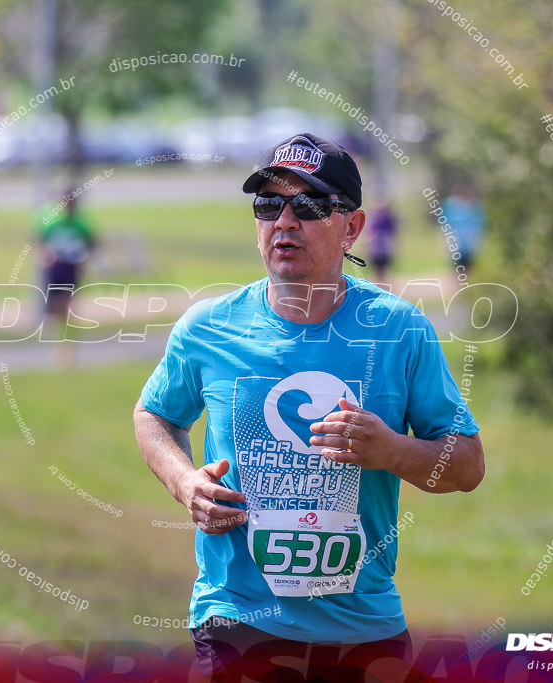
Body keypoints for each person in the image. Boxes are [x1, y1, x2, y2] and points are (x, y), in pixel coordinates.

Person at [133, 133, 485, 680]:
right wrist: (186, 484)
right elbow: (154, 414)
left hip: (363, 627)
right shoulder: (208, 328)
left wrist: (389, 449)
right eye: (269, 204)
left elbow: (466, 466)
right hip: (237, 621)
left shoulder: (398, 330)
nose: (285, 221)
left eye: (311, 205)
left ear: (353, 227)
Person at [36, 192, 95, 367]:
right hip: (55, 268)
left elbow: (91, 242)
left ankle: (66, 347)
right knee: (55, 310)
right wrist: (45, 255)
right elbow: (39, 240)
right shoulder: (50, 220)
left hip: (71, 267)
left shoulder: (80, 223)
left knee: (68, 305)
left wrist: (84, 257)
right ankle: (59, 342)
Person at [441, 185, 485, 279]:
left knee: (469, 264)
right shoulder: (450, 204)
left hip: (469, 241)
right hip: (456, 239)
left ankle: (468, 285)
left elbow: (479, 221)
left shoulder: (474, 205)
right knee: (457, 265)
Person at [368, 201, 398, 284]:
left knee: (382, 271)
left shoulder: (387, 220)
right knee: (377, 271)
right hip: (376, 250)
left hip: (384, 250)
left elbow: (392, 235)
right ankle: (377, 287)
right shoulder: (375, 220)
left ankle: (383, 288)